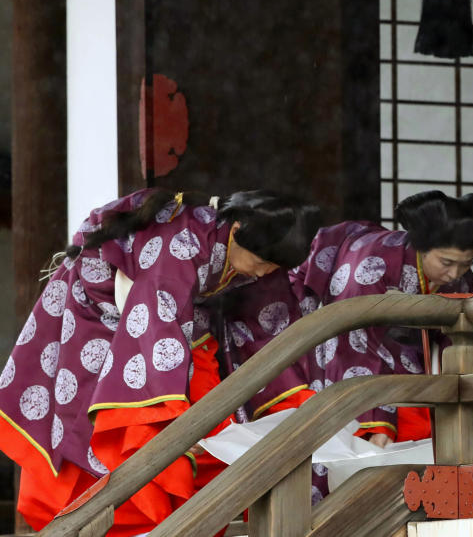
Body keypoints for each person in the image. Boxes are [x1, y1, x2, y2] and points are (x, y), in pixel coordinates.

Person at [0, 188, 323, 535]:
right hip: (102, 313)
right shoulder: (178, 247)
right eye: (262, 262)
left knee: (212, 409)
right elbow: (154, 329)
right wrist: (176, 423)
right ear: (236, 230)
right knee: (104, 421)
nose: (265, 272)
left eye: (275, 266)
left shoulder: (256, 257)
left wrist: (295, 407)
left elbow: (268, 329)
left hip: (171, 323)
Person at [281, 190, 473, 497]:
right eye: (446, 262)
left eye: (465, 264)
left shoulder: (456, 276)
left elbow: (472, 335)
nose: (454, 273)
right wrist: (376, 420)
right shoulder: (371, 265)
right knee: (341, 434)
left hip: (397, 347)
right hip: (327, 328)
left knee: (427, 406)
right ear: (421, 247)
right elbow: (353, 338)